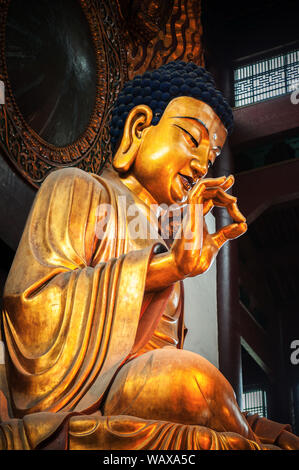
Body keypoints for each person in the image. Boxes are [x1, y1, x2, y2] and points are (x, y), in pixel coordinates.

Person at [0, 61, 298, 450]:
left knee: (192, 386)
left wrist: (176, 265)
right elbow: (31, 305)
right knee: (187, 382)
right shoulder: (78, 188)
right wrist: (166, 268)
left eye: (209, 160)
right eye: (192, 140)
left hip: (147, 388)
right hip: (91, 390)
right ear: (138, 127)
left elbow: (160, 353)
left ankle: (248, 432)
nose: (199, 166)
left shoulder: (167, 232)